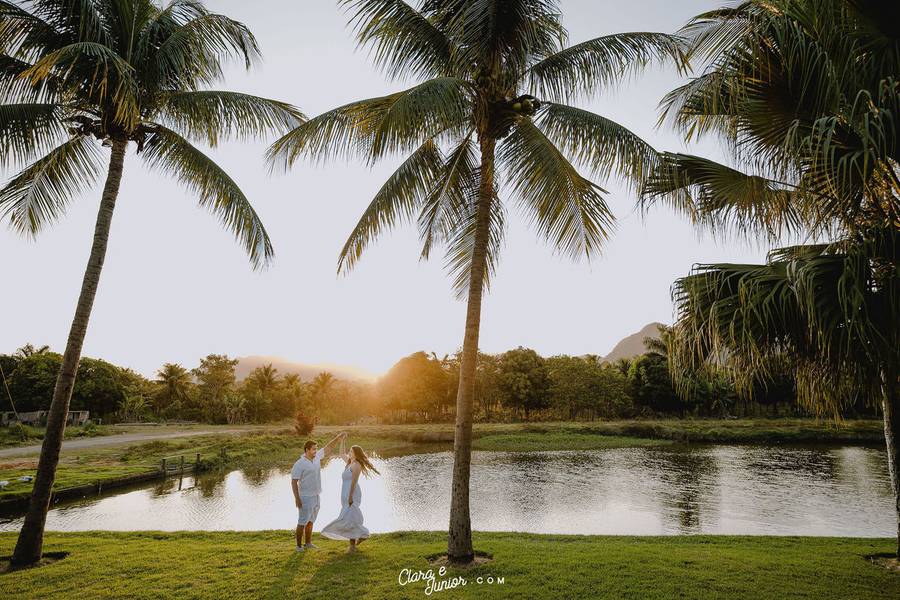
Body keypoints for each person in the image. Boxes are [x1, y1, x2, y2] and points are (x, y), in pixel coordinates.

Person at [321, 440, 380, 553]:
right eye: (350, 451)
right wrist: (342, 440)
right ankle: (359, 538)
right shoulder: (349, 463)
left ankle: (358, 540)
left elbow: (354, 482)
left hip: (352, 493)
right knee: (348, 518)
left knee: (349, 518)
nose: (349, 452)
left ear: (356, 453)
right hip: (345, 494)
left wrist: (350, 496)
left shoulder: (356, 465)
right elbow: (341, 453)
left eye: (351, 451)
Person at [291, 432, 345, 551]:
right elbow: (294, 482)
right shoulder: (299, 464)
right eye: (313, 449)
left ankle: (308, 543)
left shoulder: (316, 458)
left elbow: (328, 447)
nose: (316, 450)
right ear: (307, 450)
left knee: (311, 521)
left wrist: (338, 437)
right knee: (302, 522)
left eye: (316, 448)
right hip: (305, 497)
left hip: (316, 495)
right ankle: (298, 546)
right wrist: (297, 498)